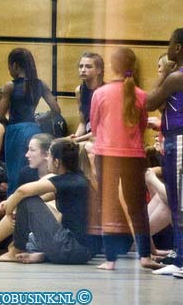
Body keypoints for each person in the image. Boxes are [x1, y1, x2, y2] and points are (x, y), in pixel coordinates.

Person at [89, 47, 160, 271]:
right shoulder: (140, 94)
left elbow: (95, 123)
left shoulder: (100, 93)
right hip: (133, 156)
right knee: (137, 207)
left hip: (107, 154)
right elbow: (141, 127)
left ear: (112, 66)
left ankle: (110, 259)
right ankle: (145, 256)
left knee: (108, 205)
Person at [0, 139, 95, 265]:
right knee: (32, 237)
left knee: (27, 199)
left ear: (56, 162)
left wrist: (8, 210)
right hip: (84, 252)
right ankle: (39, 254)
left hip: (71, 247)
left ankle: (15, 250)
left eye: (49, 155)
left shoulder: (68, 180)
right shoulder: (78, 179)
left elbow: (22, 191)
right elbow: (43, 199)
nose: (47, 158)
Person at [0, 48, 61, 195]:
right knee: (33, 169)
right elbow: (56, 110)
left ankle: (13, 201)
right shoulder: (40, 85)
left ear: (14, 65)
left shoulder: (10, 86)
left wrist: (10, 127)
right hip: (34, 130)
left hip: (16, 130)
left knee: (15, 170)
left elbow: (0, 116)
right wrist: (40, 118)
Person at [146, 28, 183, 275]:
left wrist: (164, 75)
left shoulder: (175, 77)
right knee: (177, 201)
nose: (167, 48)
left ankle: (181, 259)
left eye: (170, 44)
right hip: (174, 137)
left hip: (178, 139)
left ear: (178, 48)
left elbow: (149, 102)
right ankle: (178, 258)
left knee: (179, 202)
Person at [71, 52, 104, 144]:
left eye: (88, 67)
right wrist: (75, 137)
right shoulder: (79, 91)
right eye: (81, 66)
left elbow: (102, 129)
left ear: (98, 70)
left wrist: (76, 140)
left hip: (102, 138)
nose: (83, 70)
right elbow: (83, 123)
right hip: (88, 136)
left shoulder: (105, 92)